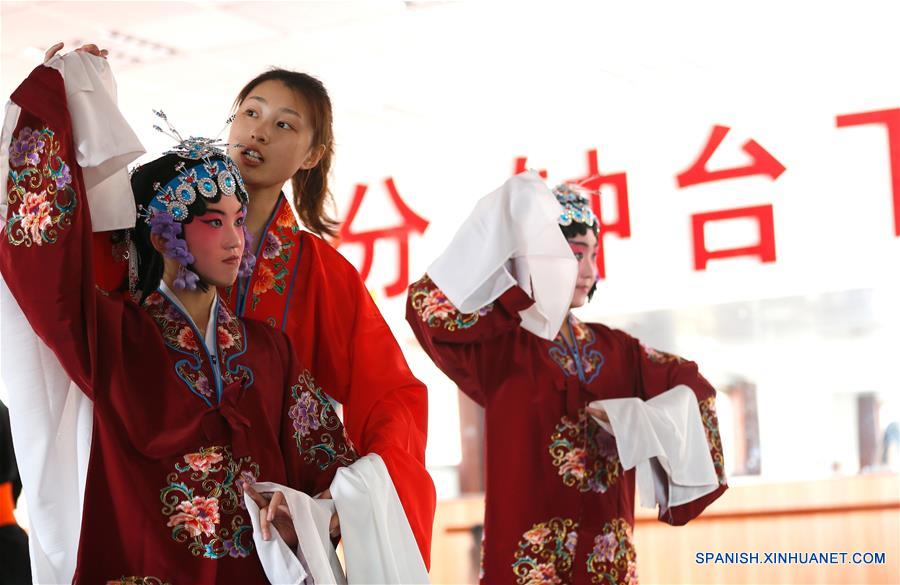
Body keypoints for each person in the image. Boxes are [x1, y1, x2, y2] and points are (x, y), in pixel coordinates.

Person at [0, 58, 356, 581]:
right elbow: (40, 258)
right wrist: (61, 93)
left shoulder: (269, 349)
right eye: (214, 222)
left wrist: (312, 512)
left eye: (238, 219)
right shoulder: (112, 335)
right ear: (165, 234)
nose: (236, 238)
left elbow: (329, 467)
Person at [406, 173, 728, 584]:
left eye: (594, 255)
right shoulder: (501, 344)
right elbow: (425, 305)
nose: (589, 270)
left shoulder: (618, 350)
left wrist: (639, 420)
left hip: (605, 562)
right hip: (525, 563)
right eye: (576, 255)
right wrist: (510, 263)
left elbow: (693, 387)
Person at [222, 69, 435, 564]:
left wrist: (354, 494)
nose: (258, 130)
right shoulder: (162, 239)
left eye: (284, 125)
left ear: (312, 155)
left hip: (274, 528)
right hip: (168, 504)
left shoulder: (321, 273)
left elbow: (390, 392)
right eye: (251, 112)